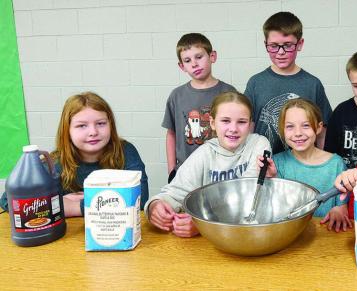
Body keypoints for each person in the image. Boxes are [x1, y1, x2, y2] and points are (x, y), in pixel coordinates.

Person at [1, 92, 149, 217]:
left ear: (111, 124)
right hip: (67, 239)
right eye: (81, 126)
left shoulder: (125, 151)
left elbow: (140, 200)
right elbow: (8, 201)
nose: (93, 132)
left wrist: (75, 207)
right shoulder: (55, 163)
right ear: (67, 130)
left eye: (101, 123)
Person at [145, 92, 271, 238]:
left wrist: (203, 225)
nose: (233, 128)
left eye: (241, 122)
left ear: (250, 124)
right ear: (212, 123)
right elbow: (174, 193)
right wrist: (155, 206)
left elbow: (246, 195)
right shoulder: (204, 154)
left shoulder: (259, 144)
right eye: (225, 121)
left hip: (250, 235)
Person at [244, 11, 332, 155]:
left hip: (302, 164)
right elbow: (249, 128)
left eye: (288, 45)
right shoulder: (255, 83)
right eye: (273, 46)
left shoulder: (313, 84)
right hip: (262, 164)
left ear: (300, 44)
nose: (280, 52)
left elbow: (322, 133)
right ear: (265, 44)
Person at [258, 99, 350, 232]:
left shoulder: (336, 164)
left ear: (319, 127)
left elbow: (342, 207)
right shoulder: (277, 163)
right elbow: (273, 208)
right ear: (282, 130)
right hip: (288, 233)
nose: (298, 133)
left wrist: (338, 210)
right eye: (290, 126)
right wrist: (272, 178)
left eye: (306, 125)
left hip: (326, 234)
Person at [164, 33, 236, 182]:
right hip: (185, 171)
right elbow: (171, 134)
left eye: (199, 57)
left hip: (221, 171)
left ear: (212, 56)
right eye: (187, 60)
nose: (194, 64)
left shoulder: (229, 93)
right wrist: (172, 170)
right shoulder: (176, 96)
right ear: (182, 66)